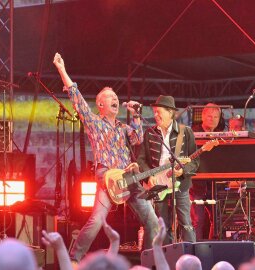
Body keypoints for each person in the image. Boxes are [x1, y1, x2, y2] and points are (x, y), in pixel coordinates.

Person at [52, 53, 158, 262]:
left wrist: (136, 114)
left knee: (152, 220)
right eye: (110, 97)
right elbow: (77, 99)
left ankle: (148, 261)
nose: (115, 99)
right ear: (100, 105)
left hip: (129, 176)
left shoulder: (123, 127)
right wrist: (62, 70)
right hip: (107, 175)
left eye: (115, 97)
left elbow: (138, 139)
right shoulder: (94, 123)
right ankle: (73, 259)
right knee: (97, 220)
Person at [137, 95, 199, 244]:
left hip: (180, 184)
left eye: (159, 112)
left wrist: (183, 171)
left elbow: (195, 161)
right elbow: (141, 160)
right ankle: (167, 260)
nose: (155, 115)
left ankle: (190, 260)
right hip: (158, 185)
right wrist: (148, 177)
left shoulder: (185, 132)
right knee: (162, 226)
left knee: (186, 224)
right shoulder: (150, 133)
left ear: (170, 112)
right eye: (154, 111)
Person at [190, 103, 224, 240]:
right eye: (209, 116)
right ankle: (194, 249)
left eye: (216, 117)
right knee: (197, 221)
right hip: (196, 184)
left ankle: (214, 248)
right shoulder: (192, 133)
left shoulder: (222, 135)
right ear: (202, 116)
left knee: (218, 220)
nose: (212, 119)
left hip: (215, 184)